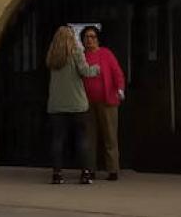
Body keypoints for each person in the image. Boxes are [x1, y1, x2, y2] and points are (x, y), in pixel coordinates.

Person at [45, 25, 99, 184]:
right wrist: (96, 69)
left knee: (58, 140)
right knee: (82, 139)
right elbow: (85, 71)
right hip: (77, 104)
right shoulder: (76, 52)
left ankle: (57, 174)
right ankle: (85, 173)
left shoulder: (52, 55)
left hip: (56, 105)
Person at [80, 25, 126, 181]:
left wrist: (120, 89)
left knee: (110, 135)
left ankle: (113, 169)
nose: (89, 40)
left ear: (98, 39)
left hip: (107, 100)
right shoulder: (81, 56)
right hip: (87, 102)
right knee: (89, 137)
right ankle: (90, 169)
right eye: (86, 37)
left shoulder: (106, 54)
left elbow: (117, 73)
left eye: (92, 37)